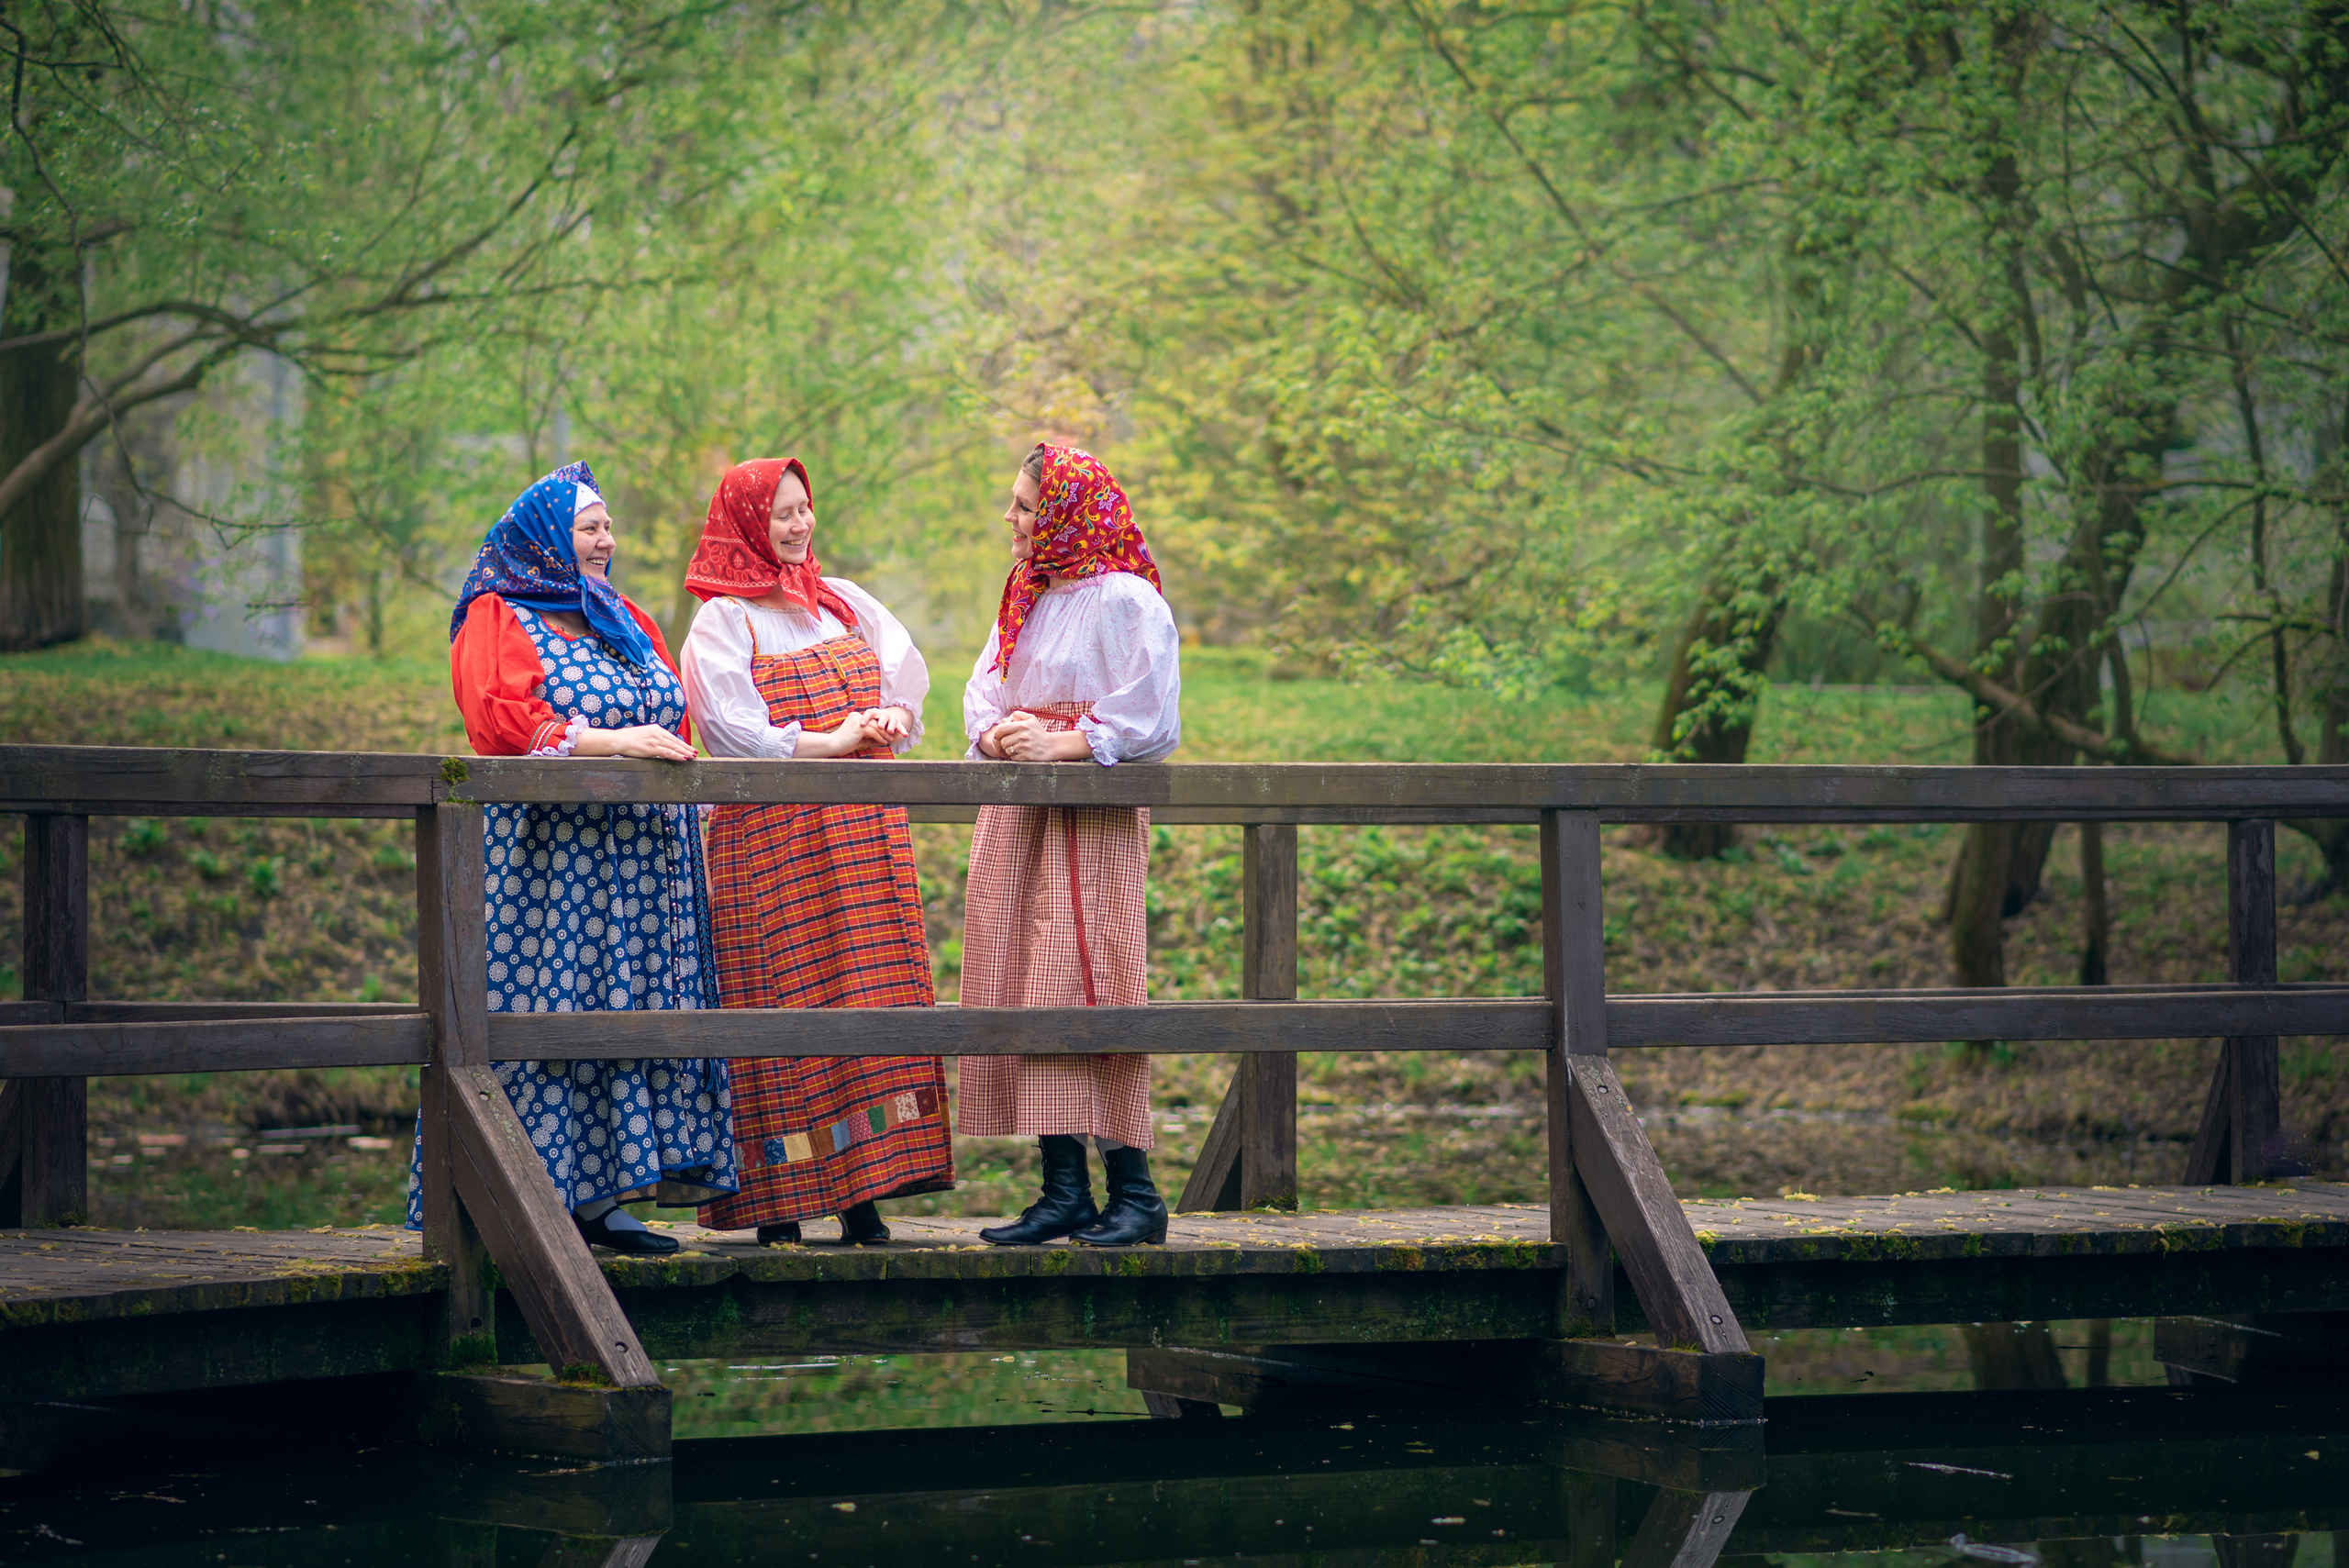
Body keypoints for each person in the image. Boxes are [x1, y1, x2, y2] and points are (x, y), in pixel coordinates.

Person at [408, 461, 736, 1258]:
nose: (605, 540)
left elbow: (672, 714)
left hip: (645, 861)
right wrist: (612, 741)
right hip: (555, 863)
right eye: (589, 527)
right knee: (552, 1009)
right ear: (547, 536)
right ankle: (520, 1195)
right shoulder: (499, 614)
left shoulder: (624, 617)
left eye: (608, 526)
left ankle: (604, 1197)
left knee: (626, 1012)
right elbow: (500, 722)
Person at [680, 457, 952, 1246]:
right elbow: (731, 732)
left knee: (864, 992)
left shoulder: (843, 601)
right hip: (774, 840)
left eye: (804, 509)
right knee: (780, 1002)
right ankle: (781, 1201)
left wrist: (894, 718)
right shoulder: (725, 621)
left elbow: (904, 676)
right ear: (746, 525)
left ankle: (864, 1189)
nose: (799, 525)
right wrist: (833, 740)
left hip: (862, 837)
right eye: (781, 514)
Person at [961, 443, 1181, 1247]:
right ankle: (1063, 1189)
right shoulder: (1026, 590)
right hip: (1023, 811)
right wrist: (998, 734)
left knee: (1095, 977)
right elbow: (984, 688)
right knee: (1024, 977)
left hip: (1092, 811)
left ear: (1063, 513)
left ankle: (1136, 1192)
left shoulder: (1125, 598)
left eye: (1024, 505)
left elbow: (1153, 714)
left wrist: (1066, 742)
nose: (1011, 518)